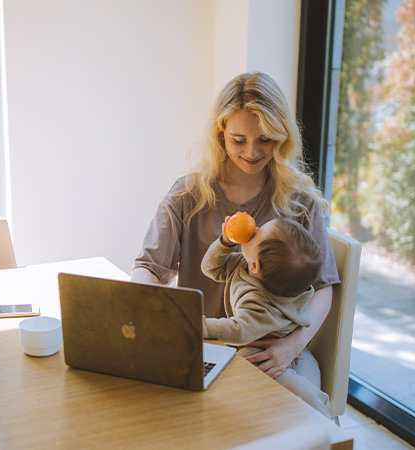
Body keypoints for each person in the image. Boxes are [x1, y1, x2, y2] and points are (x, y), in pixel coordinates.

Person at [131, 71, 340, 417]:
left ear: (282, 136)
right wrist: (149, 314)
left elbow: (323, 288)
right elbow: (148, 269)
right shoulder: (188, 194)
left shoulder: (300, 201)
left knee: (300, 416)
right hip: (203, 347)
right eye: (239, 140)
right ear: (220, 135)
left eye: (265, 140)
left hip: (273, 352)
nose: (252, 152)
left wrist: (290, 347)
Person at [201, 216, 329, 415]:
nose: (254, 228)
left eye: (257, 233)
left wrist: (198, 325)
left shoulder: (260, 306)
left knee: (292, 392)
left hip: (260, 353)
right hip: (259, 341)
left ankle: (316, 406)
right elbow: (210, 268)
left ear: (255, 266)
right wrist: (225, 241)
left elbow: (239, 329)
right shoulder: (250, 266)